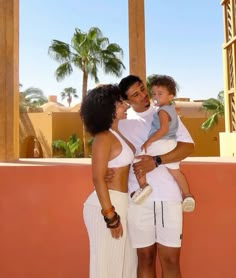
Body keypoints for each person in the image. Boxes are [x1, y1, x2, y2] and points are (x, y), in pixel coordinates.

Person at [116, 75, 194, 278]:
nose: (143, 95)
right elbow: (111, 152)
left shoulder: (164, 112)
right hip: (139, 199)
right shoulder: (122, 122)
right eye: (135, 94)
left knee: (170, 260)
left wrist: (156, 160)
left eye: (142, 89)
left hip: (168, 198)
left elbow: (188, 147)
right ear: (126, 101)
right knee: (145, 258)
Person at [80, 85, 137, 278]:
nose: (126, 106)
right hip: (107, 207)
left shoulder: (116, 133)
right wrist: (110, 216)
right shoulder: (103, 138)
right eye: (120, 103)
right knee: (107, 267)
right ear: (108, 108)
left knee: (126, 265)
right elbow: (97, 177)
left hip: (122, 203)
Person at [132, 75, 195, 212]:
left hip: (159, 143)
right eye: (154, 93)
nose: (155, 96)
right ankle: (187, 195)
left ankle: (143, 187)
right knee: (176, 172)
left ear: (171, 96)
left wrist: (149, 140)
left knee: (138, 163)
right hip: (170, 144)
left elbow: (163, 129)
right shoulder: (171, 108)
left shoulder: (161, 111)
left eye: (160, 94)